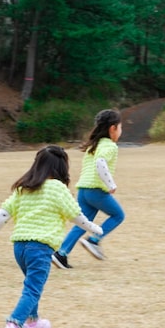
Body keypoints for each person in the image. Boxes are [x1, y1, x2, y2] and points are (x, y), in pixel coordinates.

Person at [0, 145, 103, 328]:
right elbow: (76, 215)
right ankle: (14, 326)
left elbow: (1, 216)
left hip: (19, 249)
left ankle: (33, 322)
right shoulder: (58, 188)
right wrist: (95, 229)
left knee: (31, 285)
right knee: (32, 289)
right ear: (62, 168)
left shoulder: (24, 189)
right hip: (40, 249)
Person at [52, 109, 125, 269]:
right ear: (112, 128)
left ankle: (61, 254)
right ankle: (94, 240)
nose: (121, 131)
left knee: (83, 223)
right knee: (118, 215)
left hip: (83, 190)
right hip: (96, 190)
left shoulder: (94, 145)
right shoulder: (110, 146)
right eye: (120, 127)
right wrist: (110, 184)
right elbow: (100, 163)